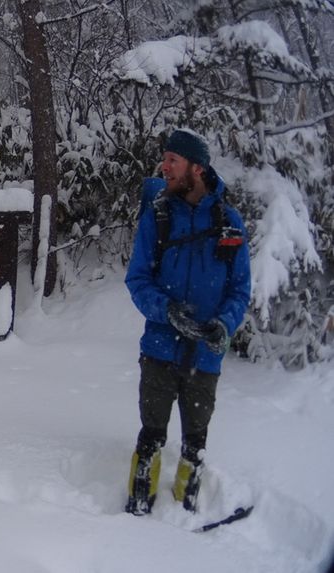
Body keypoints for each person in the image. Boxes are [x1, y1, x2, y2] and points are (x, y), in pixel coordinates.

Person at [124, 129, 251, 515]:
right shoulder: (158, 217)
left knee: (196, 441)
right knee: (151, 437)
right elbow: (137, 279)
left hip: (205, 356)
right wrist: (166, 311)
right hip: (160, 347)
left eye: (172, 161)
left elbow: (240, 290)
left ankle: (185, 509)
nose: (165, 167)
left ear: (197, 167)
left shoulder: (228, 222)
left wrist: (224, 325)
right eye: (165, 160)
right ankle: (137, 507)